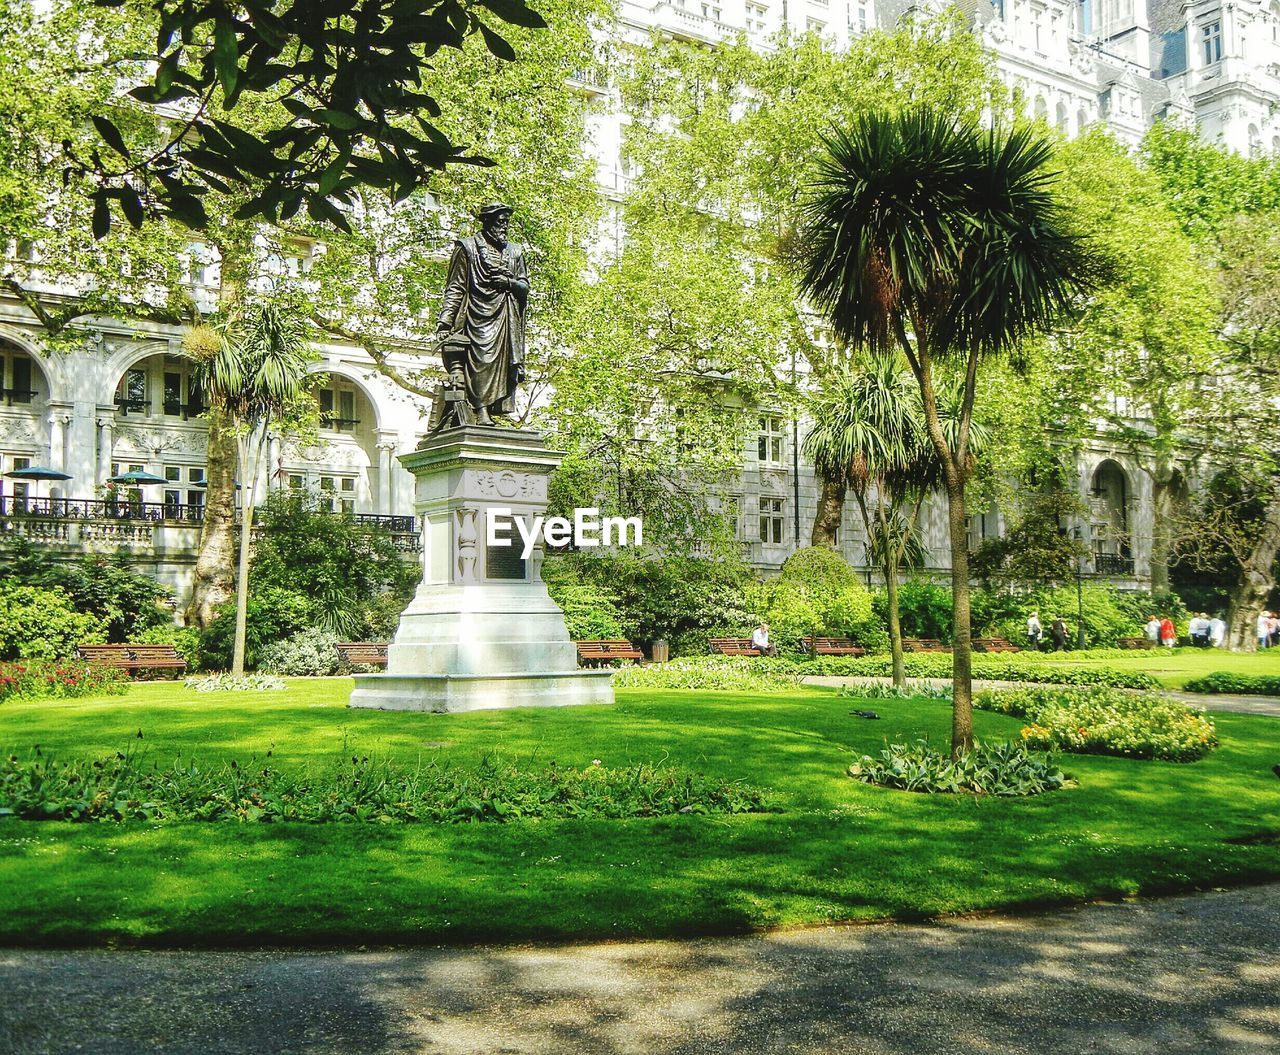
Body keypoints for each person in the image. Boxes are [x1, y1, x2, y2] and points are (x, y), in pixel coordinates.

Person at [435, 202, 529, 427]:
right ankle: (481, 410)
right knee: (482, 360)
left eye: (506, 222)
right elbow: (455, 287)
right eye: (499, 222)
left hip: (506, 315)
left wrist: (509, 282)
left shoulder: (515, 251)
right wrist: (445, 321)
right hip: (477, 315)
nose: (503, 227)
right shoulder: (467, 248)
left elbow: (524, 286)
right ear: (487, 222)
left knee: (505, 364)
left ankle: (495, 408)